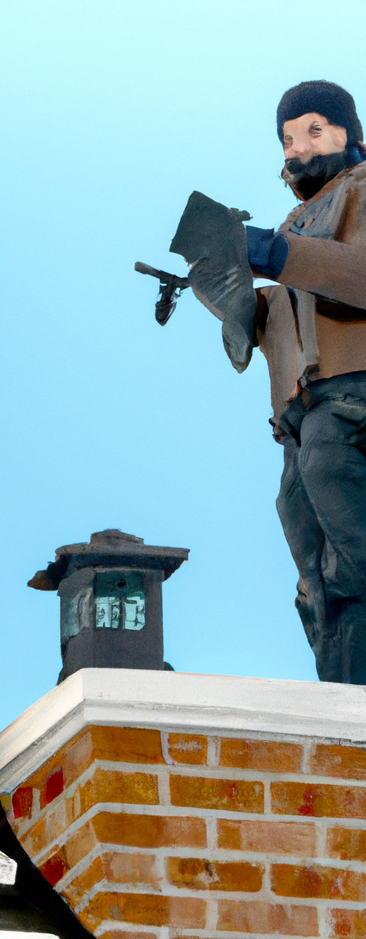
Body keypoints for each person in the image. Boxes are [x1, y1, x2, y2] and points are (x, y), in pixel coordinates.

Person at [215, 81, 366, 684]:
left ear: (348, 132)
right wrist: (229, 291)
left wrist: (275, 254)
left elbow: (356, 277)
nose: (297, 148)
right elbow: (284, 313)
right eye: (287, 139)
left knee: (331, 472)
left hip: (353, 392)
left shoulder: (362, 190)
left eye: (312, 131)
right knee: (306, 538)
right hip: (302, 410)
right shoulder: (295, 221)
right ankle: (342, 674)